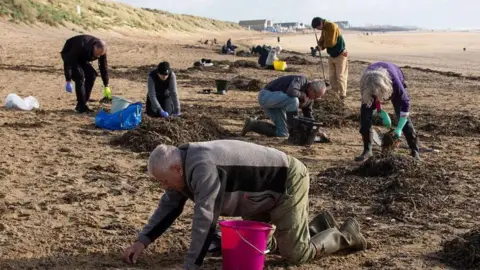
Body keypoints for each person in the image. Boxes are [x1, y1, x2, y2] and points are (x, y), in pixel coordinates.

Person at [123, 140, 367, 269]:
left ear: (176, 168)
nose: (165, 187)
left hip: (286, 182)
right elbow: (168, 207)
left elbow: (205, 220)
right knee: (260, 245)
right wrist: (141, 241)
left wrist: (191, 266)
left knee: (295, 254)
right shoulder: (181, 165)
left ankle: (346, 234)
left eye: (165, 181)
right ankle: (317, 225)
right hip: (257, 194)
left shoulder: (202, 168)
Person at [355, 62, 420, 161]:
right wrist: (380, 111)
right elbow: (373, 99)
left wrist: (399, 128)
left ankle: (414, 150)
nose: (377, 98)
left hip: (390, 80)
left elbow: (405, 104)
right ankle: (367, 150)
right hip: (371, 83)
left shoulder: (395, 84)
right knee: (365, 116)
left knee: (402, 116)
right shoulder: (365, 83)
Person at [242, 75, 326, 137]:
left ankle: (252, 124)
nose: (316, 99)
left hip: (277, 105)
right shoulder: (301, 80)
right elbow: (291, 91)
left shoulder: (310, 100)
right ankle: (293, 129)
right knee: (293, 100)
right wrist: (302, 95)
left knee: (283, 133)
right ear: (311, 90)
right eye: (316, 96)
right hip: (266, 96)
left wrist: (317, 130)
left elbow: (308, 116)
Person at [60, 34, 111, 113]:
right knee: (79, 76)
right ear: (94, 47)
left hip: (83, 57)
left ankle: (83, 103)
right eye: (97, 54)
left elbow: (103, 67)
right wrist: (68, 80)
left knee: (92, 75)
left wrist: (106, 85)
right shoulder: (81, 45)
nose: (98, 56)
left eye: (100, 55)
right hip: (69, 53)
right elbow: (68, 63)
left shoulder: (102, 51)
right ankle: (81, 106)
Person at [311, 17, 348, 100]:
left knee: (340, 77)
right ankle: (335, 94)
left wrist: (322, 46)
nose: (318, 29)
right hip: (332, 56)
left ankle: (343, 95)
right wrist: (316, 48)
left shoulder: (332, 26)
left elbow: (331, 43)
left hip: (340, 55)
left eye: (317, 27)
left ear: (320, 24)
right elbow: (322, 40)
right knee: (332, 77)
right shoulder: (324, 28)